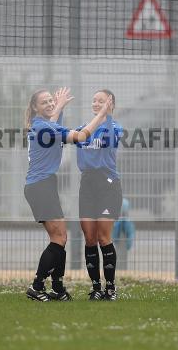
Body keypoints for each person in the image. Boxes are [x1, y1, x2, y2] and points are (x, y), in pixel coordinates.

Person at [24, 87, 112, 302]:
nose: (49, 104)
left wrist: (59, 105)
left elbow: (53, 122)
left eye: (50, 100)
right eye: (44, 102)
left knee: (60, 238)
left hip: (43, 185)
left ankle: (57, 288)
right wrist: (101, 115)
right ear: (35, 108)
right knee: (59, 238)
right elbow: (81, 136)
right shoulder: (43, 127)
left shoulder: (44, 124)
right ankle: (37, 285)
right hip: (40, 186)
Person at [76, 90, 123, 301]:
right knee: (89, 237)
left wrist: (107, 114)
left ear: (110, 104)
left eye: (101, 101)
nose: (96, 103)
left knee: (104, 236)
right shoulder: (83, 129)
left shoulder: (114, 127)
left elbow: (112, 141)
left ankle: (110, 288)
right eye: (94, 100)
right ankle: (96, 287)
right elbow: (78, 138)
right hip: (87, 184)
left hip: (108, 185)